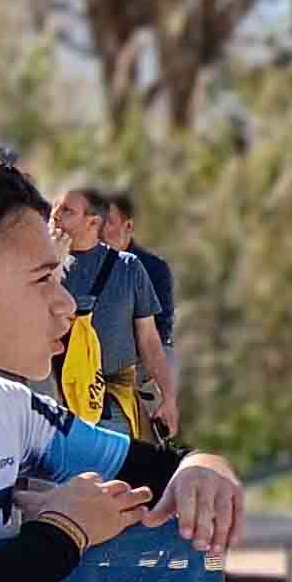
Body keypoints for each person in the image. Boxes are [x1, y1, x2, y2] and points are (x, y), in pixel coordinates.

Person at [0, 157, 246, 582]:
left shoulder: (13, 410)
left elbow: (158, 467)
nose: (66, 305)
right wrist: (66, 529)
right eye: (42, 280)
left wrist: (203, 468)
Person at [49, 184, 176, 441]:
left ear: (92, 221)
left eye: (67, 210)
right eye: (54, 208)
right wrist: (50, 264)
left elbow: (149, 341)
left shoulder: (128, 267)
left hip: (114, 406)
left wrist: (169, 398)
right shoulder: (41, 268)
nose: (55, 215)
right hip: (58, 404)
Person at [101, 192, 174, 352]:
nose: (100, 229)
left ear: (128, 226)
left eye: (108, 222)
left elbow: (161, 329)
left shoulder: (154, 268)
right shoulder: (81, 263)